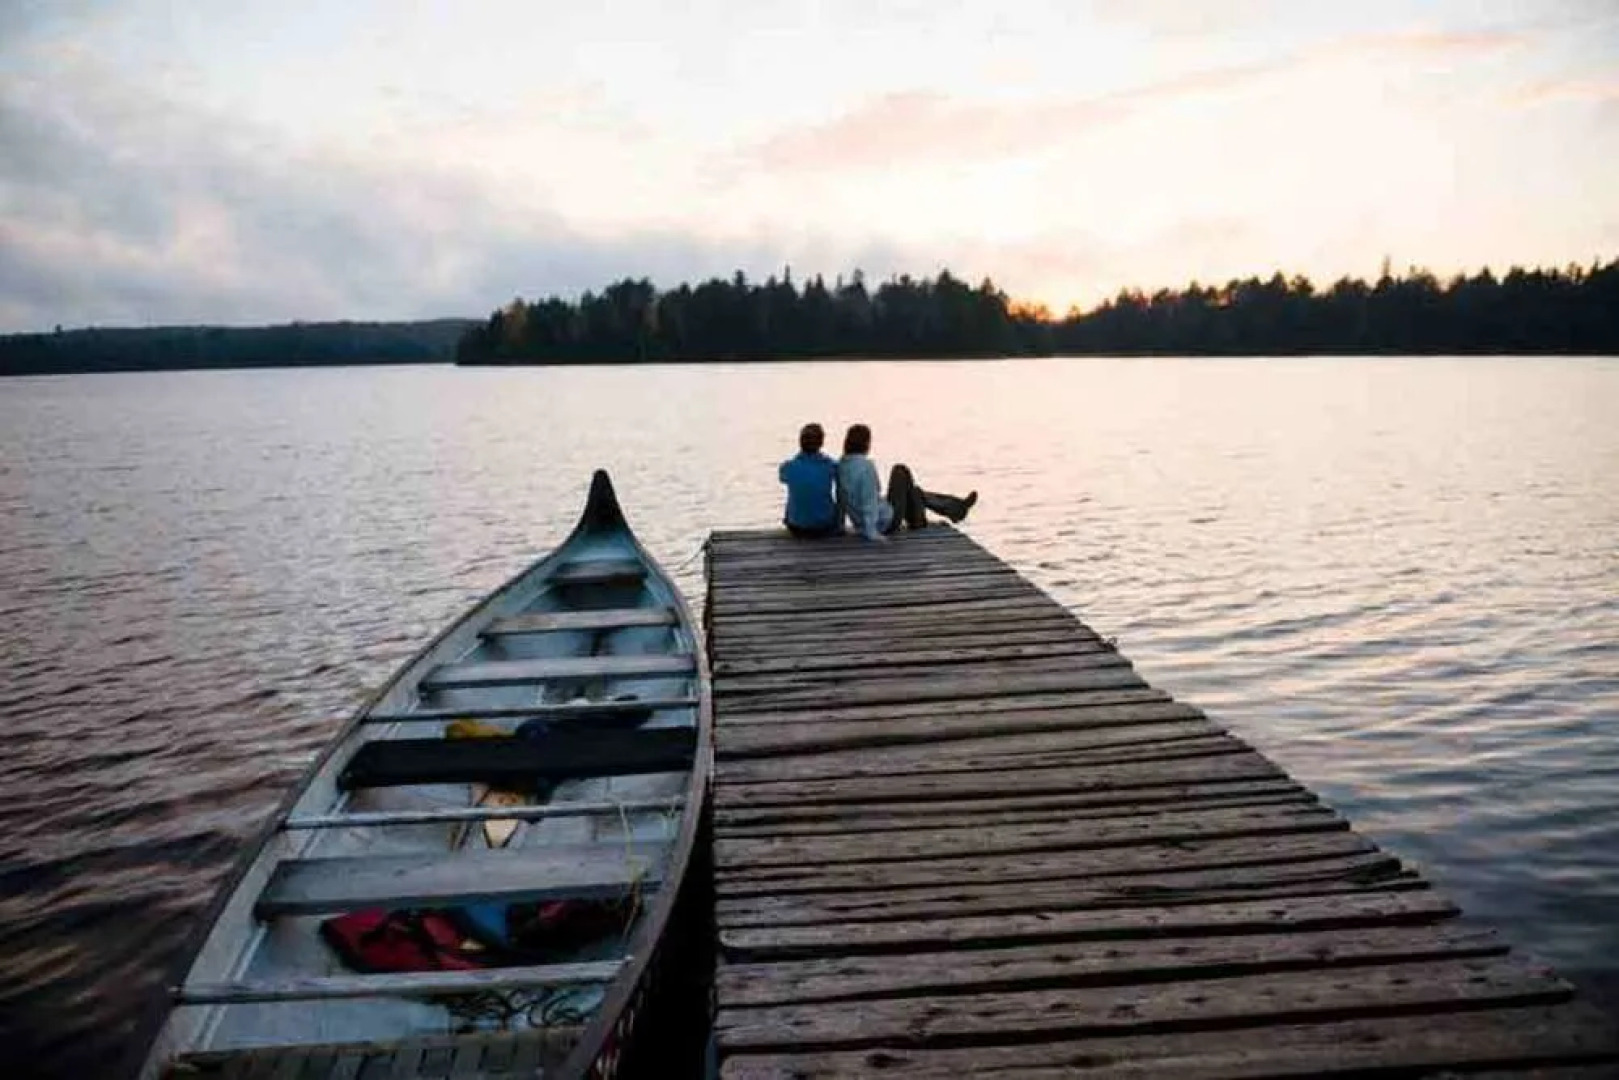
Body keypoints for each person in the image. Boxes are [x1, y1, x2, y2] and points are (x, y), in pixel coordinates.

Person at [837, 423, 977, 541]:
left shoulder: (841, 465)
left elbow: (841, 499)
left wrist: (840, 525)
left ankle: (952, 508)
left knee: (915, 491)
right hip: (886, 522)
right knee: (900, 471)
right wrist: (872, 532)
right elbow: (869, 502)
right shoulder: (866, 466)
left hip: (865, 521)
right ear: (866, 443)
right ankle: (951, 509)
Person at [778, 422, 841, 538]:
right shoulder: (830, 465)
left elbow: (783, 478)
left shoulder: (788, 466)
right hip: (824, 527)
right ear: (821, 443)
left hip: (797, 528)